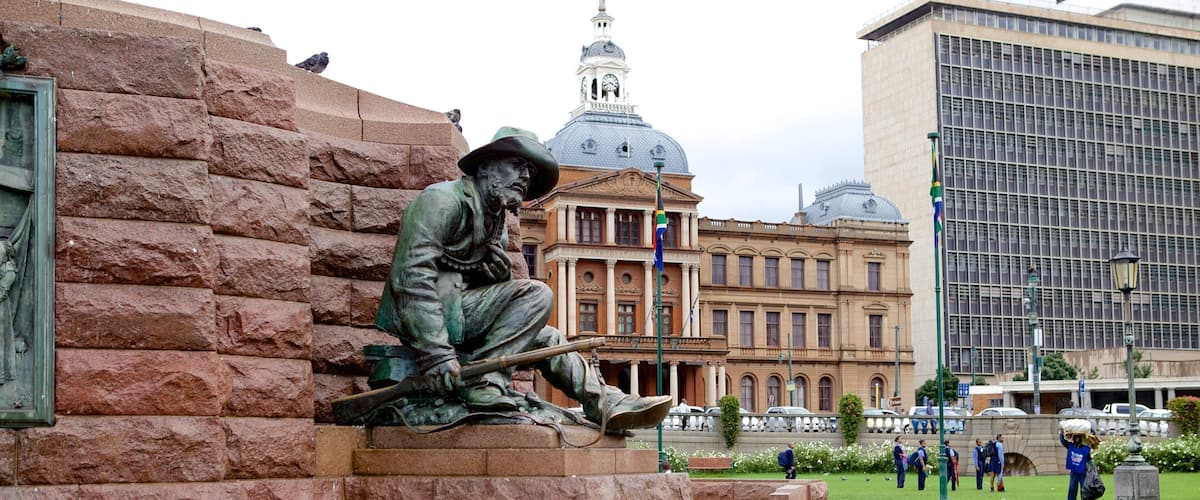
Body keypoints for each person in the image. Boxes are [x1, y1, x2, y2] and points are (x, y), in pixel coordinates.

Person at [373, 126, 672, 430]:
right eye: (517, 165)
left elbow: (484, 297)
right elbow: (411, 279)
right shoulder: (441, 201)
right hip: (429, 320)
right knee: (537, 294)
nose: (525, 176)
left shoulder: (497, 222)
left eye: (529, 171)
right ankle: (485, 383)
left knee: (550, 338)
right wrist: (436, 354)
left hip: (460, 318)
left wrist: (495, 276)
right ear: (485, 167)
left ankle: (604, 402)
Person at [1060, 430, 1092, 500]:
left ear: (1080, 438)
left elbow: (1089, 459)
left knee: (1084, 489)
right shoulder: (1071, 446)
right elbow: (1063, 441)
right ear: (1074, 438)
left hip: (1083, 472)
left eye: (1078, 437)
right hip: (1074, 472)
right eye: (1075, 437)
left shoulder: (1085, 448)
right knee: (1072, 489)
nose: (1077, 439)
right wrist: (1062, 432)